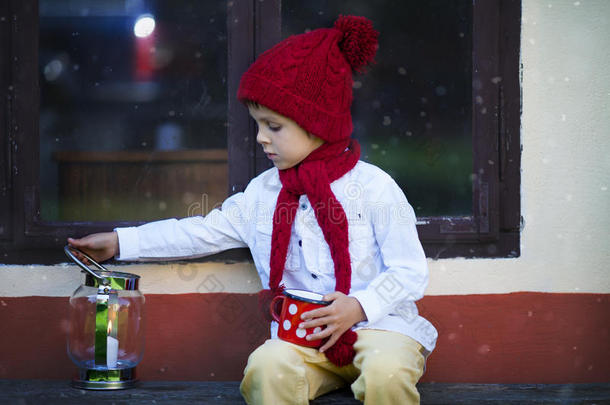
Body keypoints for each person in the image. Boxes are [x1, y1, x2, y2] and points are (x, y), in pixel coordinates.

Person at [68, 15, 437, 405]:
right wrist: (119, 241)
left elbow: (410, 272)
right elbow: (199, 231)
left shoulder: (374, 187)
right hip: (301, 340)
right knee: (266, 368)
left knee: (387, 372)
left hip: (382, 330)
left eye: (273, 126)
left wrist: (361, 305)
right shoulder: (263, 194)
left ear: (318, 124)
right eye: (257, 124)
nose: (261, 137)